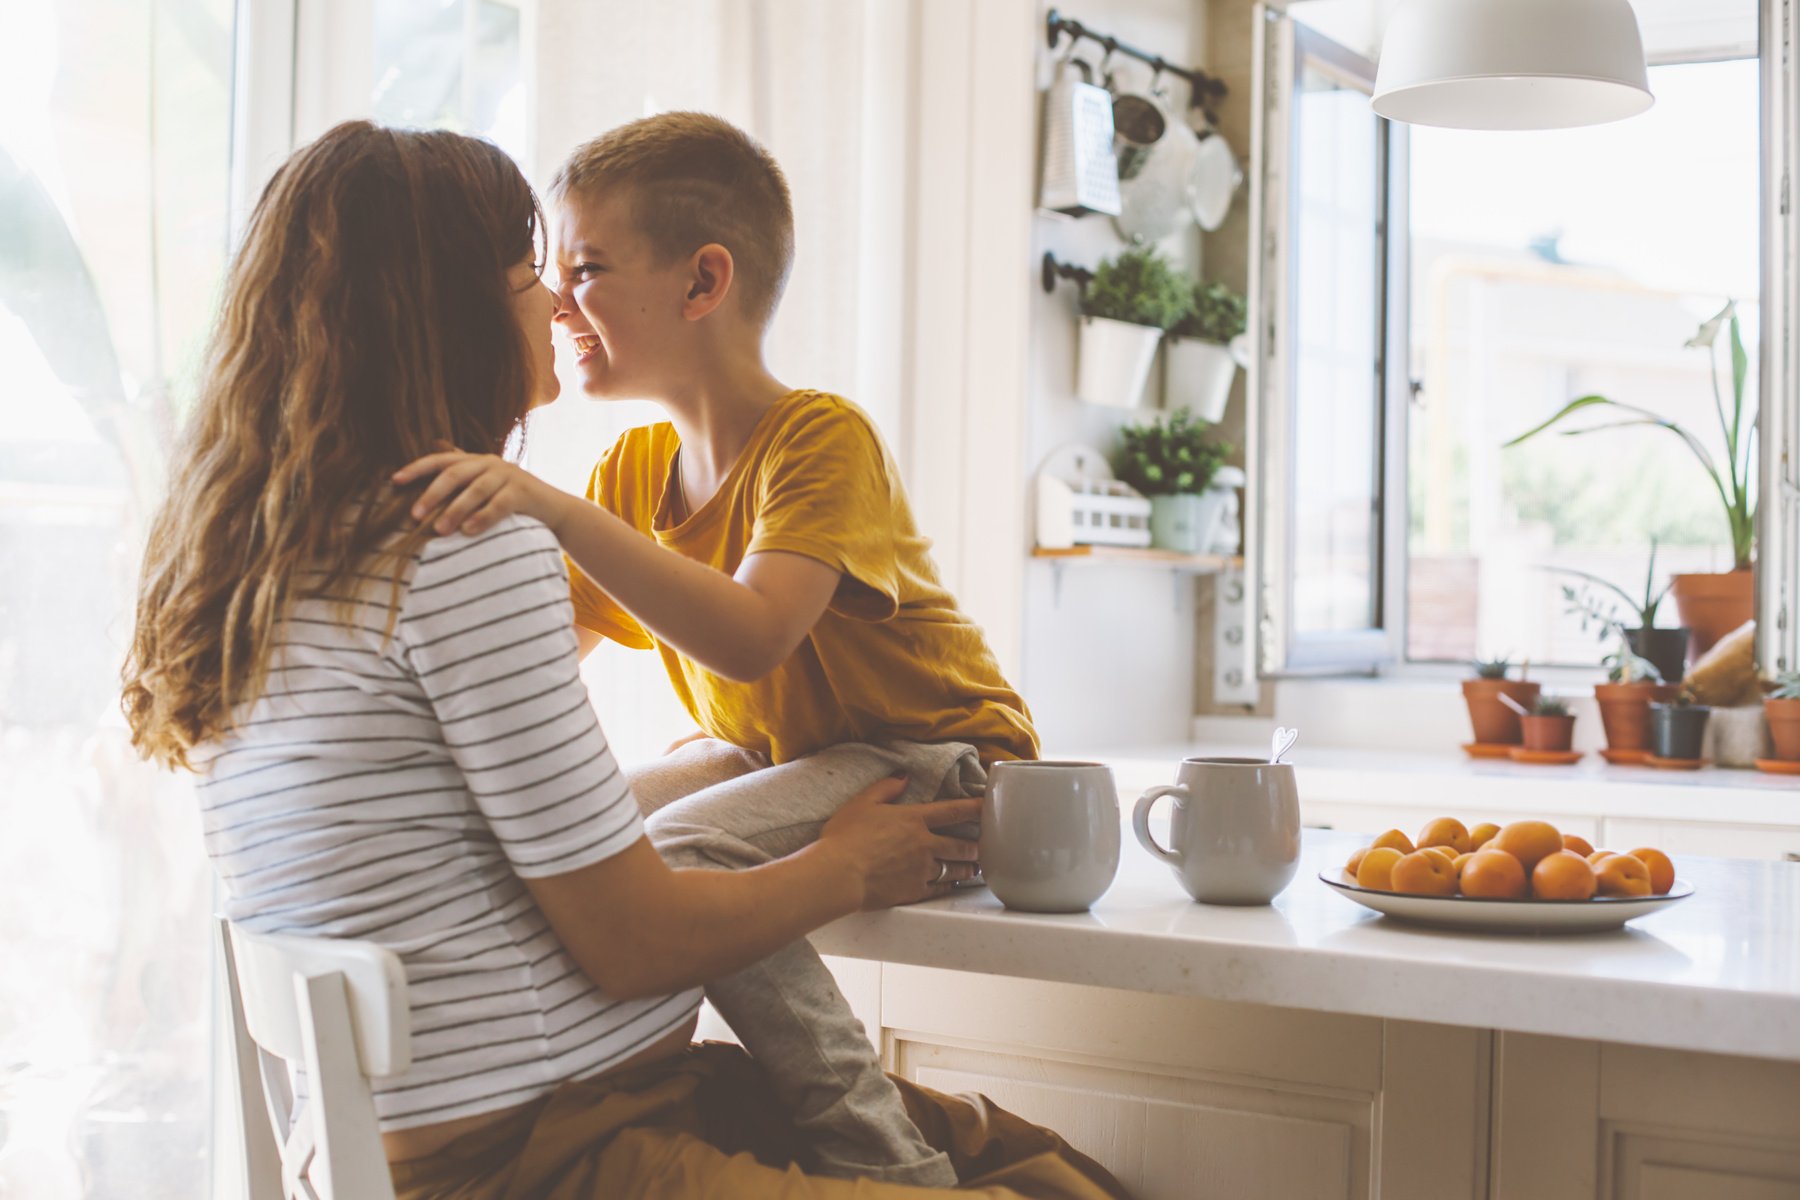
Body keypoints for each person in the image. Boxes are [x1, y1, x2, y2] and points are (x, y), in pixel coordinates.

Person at [121, 120, 1127, 1199]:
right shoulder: (466, 548)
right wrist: (841, 868)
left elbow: (609, 679)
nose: (556, 305)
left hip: (534, 1115)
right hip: (553, 1148)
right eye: (530, 275)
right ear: (450, 316)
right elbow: (640, 929)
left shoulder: (257, 567)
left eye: (577, 273)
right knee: (1044, 1183)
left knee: (1030, 1163)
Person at [391, 112, 1038, 1187]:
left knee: (682, 856)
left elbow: (751, 634)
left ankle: (882, 1159)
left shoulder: (821, 438)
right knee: (607, 830)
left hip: (940, 758)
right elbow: (536, 662)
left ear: (702, 284)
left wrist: (549, 511)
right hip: (793, 757)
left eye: (586, 268)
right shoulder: (633, 472)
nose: (556, 302)